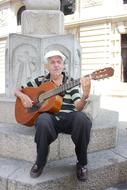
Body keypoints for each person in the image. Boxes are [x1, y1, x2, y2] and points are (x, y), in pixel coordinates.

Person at [14, 50, 92, 181]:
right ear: (47, 66)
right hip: (50, 120)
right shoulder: (41, 81)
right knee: (42, 120)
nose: (56, 65)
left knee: (83, 119)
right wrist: (23, 97)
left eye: (59, 62)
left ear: (63, 65)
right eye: (52, 62)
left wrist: (85, 95)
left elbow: (78, 105)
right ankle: (40, 161)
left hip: (68, 118)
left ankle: (82, 163)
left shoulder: (71, 82)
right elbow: (17, 90)